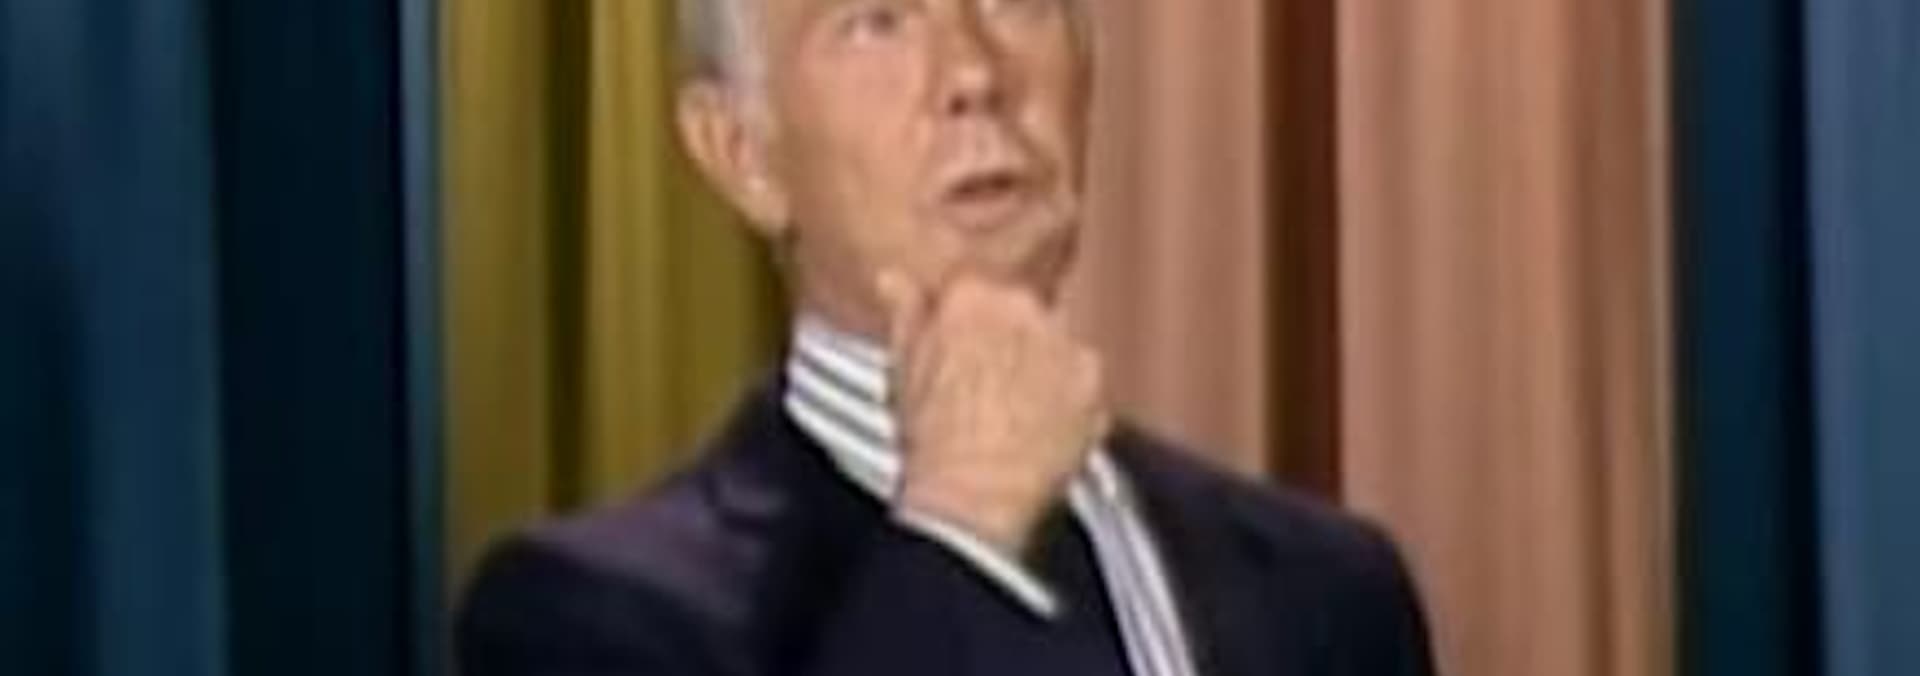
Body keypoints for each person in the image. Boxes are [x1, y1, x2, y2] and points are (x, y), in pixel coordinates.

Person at [455, 0, 1435, 674]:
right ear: (743, 152)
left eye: (1017, 1)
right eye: (877, 19)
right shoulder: (587, 620)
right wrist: (960, 524)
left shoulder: (1331, 590)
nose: (974, 73)